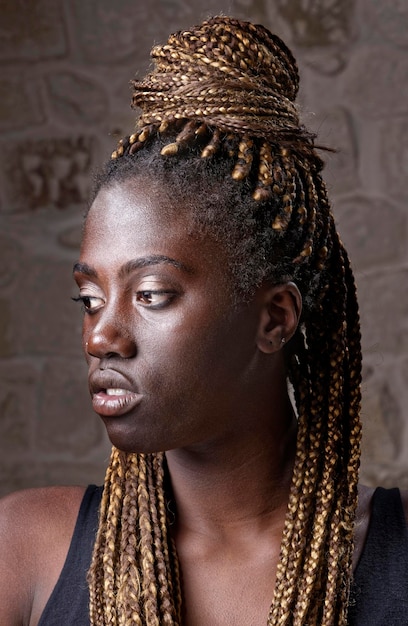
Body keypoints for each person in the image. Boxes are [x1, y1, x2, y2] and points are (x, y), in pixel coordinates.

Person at [0, 15, 407, 626]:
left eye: (152, 294)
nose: (100, 336)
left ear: (275, 319)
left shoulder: (395, 560)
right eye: (90, 298)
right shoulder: (26, 550)